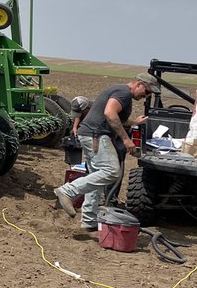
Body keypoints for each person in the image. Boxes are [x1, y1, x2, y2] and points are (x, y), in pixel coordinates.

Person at [54, 74, 159, 231]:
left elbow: (117, 117)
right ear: (139, 84)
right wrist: (125, 139)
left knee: (97, 176)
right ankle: (68, 191)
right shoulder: (123, 93)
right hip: (96, 136)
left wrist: (134, 122)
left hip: (90, 134)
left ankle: (89, 220)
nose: (146, 96)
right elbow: (110, 114)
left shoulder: (121, 93)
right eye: (147, 91)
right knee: (111, 171)